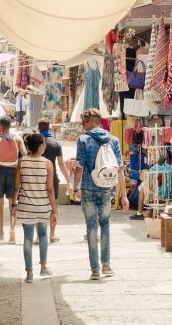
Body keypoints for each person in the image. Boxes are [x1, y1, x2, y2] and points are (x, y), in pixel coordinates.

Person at [73, 108, 128, 280]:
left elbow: (79, 167)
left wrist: (75, 188)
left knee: (91, 228)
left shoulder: (83, 140)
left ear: (90, 122)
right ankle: (106, 265)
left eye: (83, 123)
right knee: (105, 225)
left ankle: (95, 269)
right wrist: (123, 195)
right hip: (106, 189)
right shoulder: (114, 140)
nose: (83, 127)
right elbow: (119, 170)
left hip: (88, 189)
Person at [11, 133, 58, 283]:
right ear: (39, 146)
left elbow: (16, 186)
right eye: (43, 144)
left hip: (25, 206)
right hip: (43, 206)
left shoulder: (21, 162)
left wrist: (13, 204)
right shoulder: (47, 163)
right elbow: (50, 189)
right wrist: (54, 209)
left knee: (27, 238)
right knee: (43, 235)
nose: (45, 146)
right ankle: (43, 267)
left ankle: (29, 273)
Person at [0, 115, 27, 243]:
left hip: (0, 171)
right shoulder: (18, 139)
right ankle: (12, 232)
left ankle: (1, 234)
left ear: (1, 126)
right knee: (13, 203)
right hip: (13, 172)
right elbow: (25, 154)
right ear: (10, 125)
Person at [37, 120, 71, 243]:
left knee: (38, 207)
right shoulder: (56, 143)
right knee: (53, 206)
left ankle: (38, 236)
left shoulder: (34, 142)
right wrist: (68, 180)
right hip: (52, 179)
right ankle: (51, 235)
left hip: (37, 179)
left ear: (38, 128)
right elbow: (61, 164)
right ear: (50, 128)